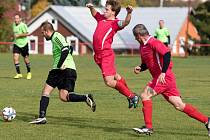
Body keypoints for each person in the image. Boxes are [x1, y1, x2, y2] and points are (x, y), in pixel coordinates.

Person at [131, 24, 210, 136]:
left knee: (145, 95)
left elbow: (167, 54)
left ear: (139, 35)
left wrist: (163, 72)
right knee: (179, 105)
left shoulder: (154, 42)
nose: (135, 39)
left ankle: (148, 127)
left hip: (164, 77)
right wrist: (141, 67)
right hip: (165, 79)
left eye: (135, 37)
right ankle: (207, 121)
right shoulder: (142, 46)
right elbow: (147, 63)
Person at [29, 21, 96, 124]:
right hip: (71, 69)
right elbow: (70, 48)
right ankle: (85, 97)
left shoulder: (56, 37)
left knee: (46, 92)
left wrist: (60, 65)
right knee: (64, 96)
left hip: (60, 70)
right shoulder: (59, 37)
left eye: (42, 33)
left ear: (47, 31)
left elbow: (65, 50)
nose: (42, 35)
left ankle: (42, 116)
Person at [86, 0, 139, 109]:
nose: (104, 11)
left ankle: (132, 96)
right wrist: (91, 7)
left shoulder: (115, 23)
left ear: (113, 12)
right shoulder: (101, 18)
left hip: (106, 54)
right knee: (116, 77)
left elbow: (125, 22)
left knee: (109, 82)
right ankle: (130, 95)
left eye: (107, 9)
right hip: (98, 56)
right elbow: (95, 13)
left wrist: (129, 13)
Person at [12, 13, 32, 79]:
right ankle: (19, 74)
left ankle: (29, 72)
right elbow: (15, 34)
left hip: (24, 44)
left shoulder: (23, 25)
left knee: (26, 59)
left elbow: (27, 33)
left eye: (17, 18)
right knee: (15, 58)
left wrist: (19, 35)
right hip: (16, 44)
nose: (16, 20)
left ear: (20, 19)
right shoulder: (13, 25)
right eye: (15, 18)